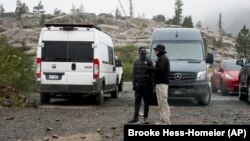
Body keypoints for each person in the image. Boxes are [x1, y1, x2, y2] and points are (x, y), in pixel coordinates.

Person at [128, 47, 154, 124]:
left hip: (147, 86)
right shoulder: (136, 62)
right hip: (138, 86)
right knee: (137, 103)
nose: (143, 53)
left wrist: (151, 84)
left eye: (144, 52)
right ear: (139, 52)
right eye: (142, 51)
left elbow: (152, 74)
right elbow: (134, 74)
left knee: (146, 103)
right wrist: (134, 84)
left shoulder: (149, 62)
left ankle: (145, 118)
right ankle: (136, 118)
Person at [153, 44, 171, 125]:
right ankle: (162, 119)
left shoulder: (163, 58)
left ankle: (166, 121)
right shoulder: (161, 58)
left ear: (160, 51)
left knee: (163, 102)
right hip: (159, 83)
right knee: (160, 102)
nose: (155, 51)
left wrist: (151, 68)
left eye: (156, 50)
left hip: (162, 84)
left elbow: (160, 70)